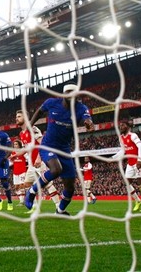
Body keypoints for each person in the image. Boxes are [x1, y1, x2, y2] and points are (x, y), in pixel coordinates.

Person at [24, 84, 94, 215]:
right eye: (68, 92)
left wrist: (89, 124)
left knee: (70, 187)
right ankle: (32, 191)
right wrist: (30, 124)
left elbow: (88, 120)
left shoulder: (81, 108)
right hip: (48, 145)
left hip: (64, 149)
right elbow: (39, 111)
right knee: (56, 169)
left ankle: (60, 210)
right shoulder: (52, 103)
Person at [14, 109, 61, 212]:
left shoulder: (33, 129)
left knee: (48, 184)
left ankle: (59, 206)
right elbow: (27, 148)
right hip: (31, 164)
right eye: (16, 117)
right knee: (27, 184)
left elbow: (42, 144)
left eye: (19, 116)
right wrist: (13, 156)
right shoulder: (22, 134)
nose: (16, 118)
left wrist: (39, 158)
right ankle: (35, 207)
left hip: (40, 161)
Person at [114, 119, 141, 212]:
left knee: (140, 184)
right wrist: (112, 158)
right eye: (120, 125)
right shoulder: (121, 137)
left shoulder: (133, 136)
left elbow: (140, 147)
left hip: (137, 162)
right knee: (127, 183)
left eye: (122, 125)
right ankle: (138, 200)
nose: (120, 127)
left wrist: (139, 160)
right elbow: (123, 150)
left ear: (127, 126)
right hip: (130, 163)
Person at [8, 140, 27, 205]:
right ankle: (21, 200)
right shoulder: (12, 153)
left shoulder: (23, 152)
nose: (15, 145)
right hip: (15, 172)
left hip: (22, 171)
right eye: (14, 144)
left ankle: (22, 201)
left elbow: (28, 159)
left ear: (19, 145)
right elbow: (11, 162)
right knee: (16, 187)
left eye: (16, 144)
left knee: (22, 185)